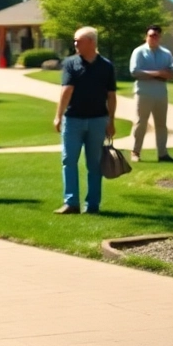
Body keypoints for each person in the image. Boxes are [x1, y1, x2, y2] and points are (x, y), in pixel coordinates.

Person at [53, 26, 117, 214]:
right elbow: (66, 91)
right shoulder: (71, 63)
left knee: (95, 164)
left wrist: (111, 120)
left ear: (91, 42)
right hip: (73, 119)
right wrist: (58, 115)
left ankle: (93, 204)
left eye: (78, 41)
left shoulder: (106, 66)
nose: (75, 44)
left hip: (98, 120)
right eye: (74, 40)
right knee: (69, 160)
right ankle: (71, 202)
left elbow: (111, 95)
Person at [129, 25, 173, 162]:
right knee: (140, 123)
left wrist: (153, 74)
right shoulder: (139, 52)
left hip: (161, 93)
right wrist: (159, 73)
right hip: (143, 93)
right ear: (146, 36)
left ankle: (162, 154)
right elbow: (135, 72)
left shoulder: (166, 53)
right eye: (151, 35)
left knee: (161, 124)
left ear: (160, 37)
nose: (153, 38)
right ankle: (135, 152)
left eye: (156, 35)